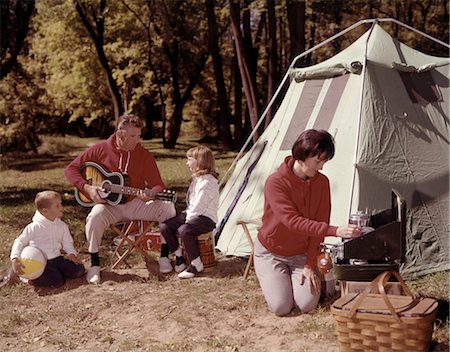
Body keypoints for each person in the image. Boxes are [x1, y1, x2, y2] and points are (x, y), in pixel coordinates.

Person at [254, 129, 361, 316]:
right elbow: (292, 221)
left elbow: (319, 225)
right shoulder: (275, 182)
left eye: (324, 162)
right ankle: (278, 279)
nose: (321, 167)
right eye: (318, 161)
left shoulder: (322, 183)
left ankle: (294, 281)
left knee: (306, 305)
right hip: (271, 252)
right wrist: (336, 231)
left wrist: (310, 264)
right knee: (281, 307)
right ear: (302, 155)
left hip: (300, 254)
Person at [64, 114, 176, 284]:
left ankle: (164, 257)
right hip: (110, 206)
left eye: (139, 135)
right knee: (94, 217)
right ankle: (94, 265)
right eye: (132, 136)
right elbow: (71, 169)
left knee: (168, 207)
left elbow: (158, 184)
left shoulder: (143, 154)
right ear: (119, 134)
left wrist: (150, 193)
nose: (137, 140)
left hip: (135, 203)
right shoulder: (101, 149)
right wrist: (86, 187)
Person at [159, 146, 219, 279]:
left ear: (200, 161)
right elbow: (192, 204)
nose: (187, 163)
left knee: (184, 230)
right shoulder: (197, 180)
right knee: (165, 227)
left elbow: (199, 205)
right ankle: (179, 256)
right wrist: (186, 216)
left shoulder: (208, 182)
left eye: (189, 159)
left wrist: (187, 219)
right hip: (192, 213)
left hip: (205, 218)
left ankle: (196, 263)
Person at [10, 191, 85, 288]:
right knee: (57, 282)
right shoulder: (34, 227)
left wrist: (71, 254)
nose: (61, 207)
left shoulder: (62, 225)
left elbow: (67, 242)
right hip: (41, 263)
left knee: (78, 269)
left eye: (61, 204)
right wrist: (15, 258)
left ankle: (56, 273)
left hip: (57, 259)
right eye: (57, 205)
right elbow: (20, 241)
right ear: (45, 211)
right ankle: (30, 277)